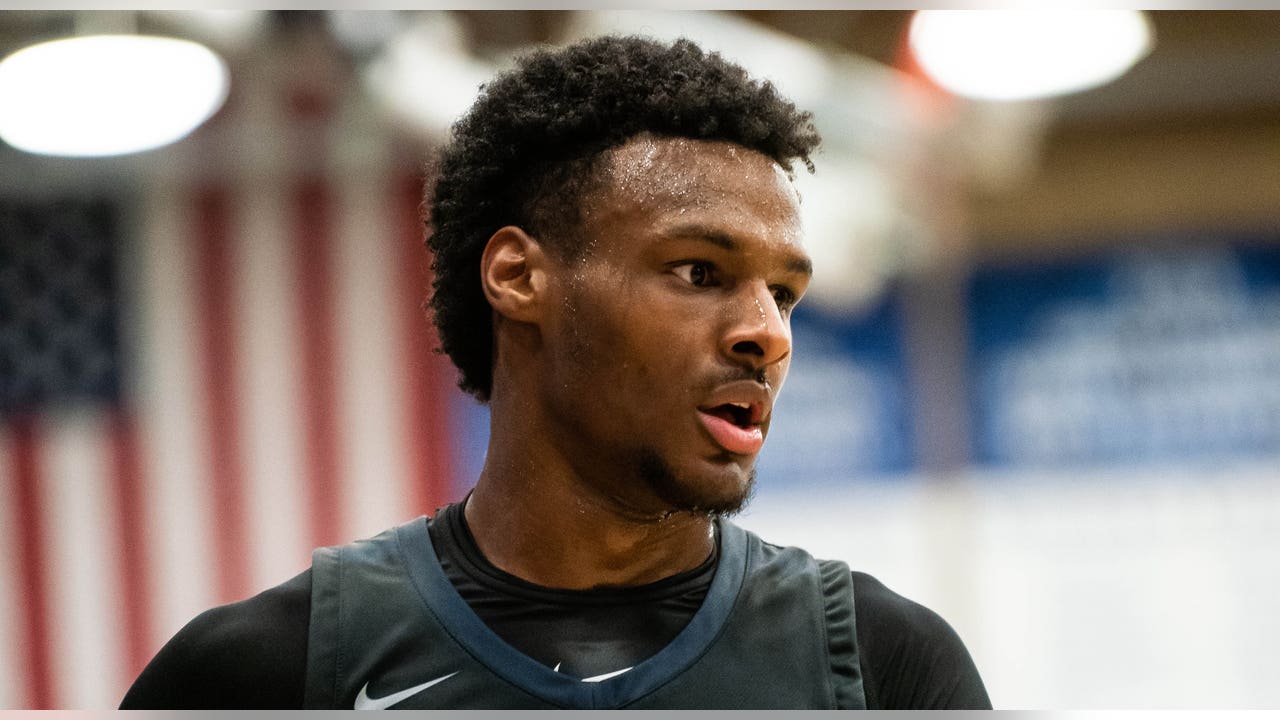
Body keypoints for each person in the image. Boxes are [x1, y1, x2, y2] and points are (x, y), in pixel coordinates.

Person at [121, 34, 991, 710]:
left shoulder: (884, 666)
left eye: (785, 293)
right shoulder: (266, 673)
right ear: (518, 277)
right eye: (700, 272)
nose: (767, 333)